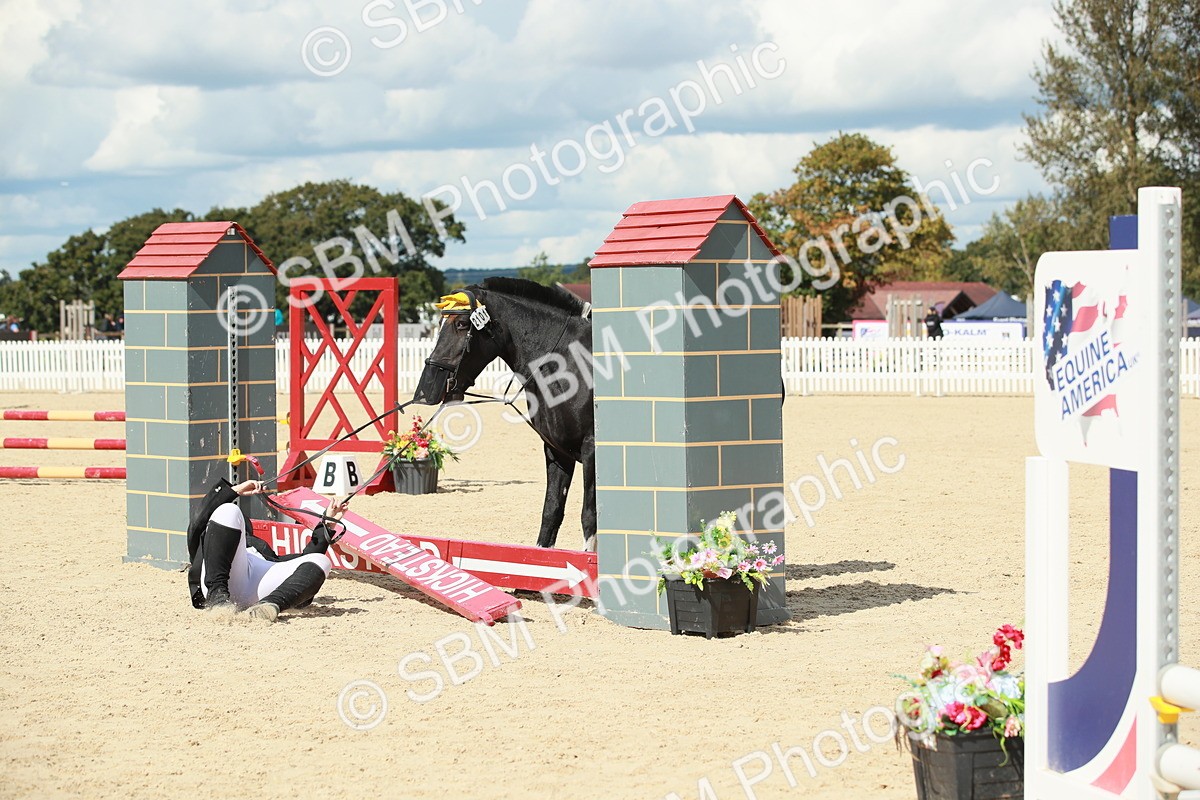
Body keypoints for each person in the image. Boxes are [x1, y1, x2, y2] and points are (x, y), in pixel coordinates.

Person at [186, 478, 345, 622]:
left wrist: (327, 525)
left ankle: (270, 605)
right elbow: (197, 524)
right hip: (220, 581)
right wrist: (235, 491)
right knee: (229, 510)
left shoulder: (262, 549)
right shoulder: (212, 538)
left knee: (321, 561)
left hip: (258, 589)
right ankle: (217, 598)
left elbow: (306, 565)